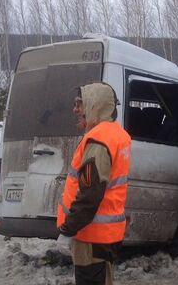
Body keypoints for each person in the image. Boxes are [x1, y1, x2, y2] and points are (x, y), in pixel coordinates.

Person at [56, 83, 131, 285]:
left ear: (95, 105)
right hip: (104, 233)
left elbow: (90, 196)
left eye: (80, 104)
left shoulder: (98, 140)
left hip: (91, 235)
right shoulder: (116, 134)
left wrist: (67, 230)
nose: (75, 110)